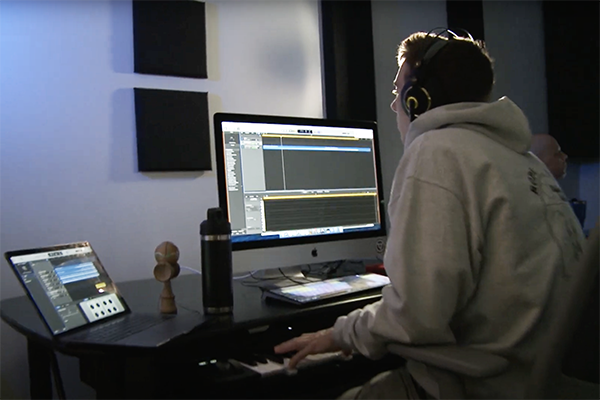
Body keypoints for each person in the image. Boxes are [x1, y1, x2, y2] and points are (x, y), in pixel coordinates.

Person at [274, 30, 586, 400]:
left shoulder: (437, 151)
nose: (395, 106)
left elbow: (416, 317)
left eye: (397, 92)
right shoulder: (522, 160)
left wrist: (339, 333)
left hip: (482, 386)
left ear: (418, 98)